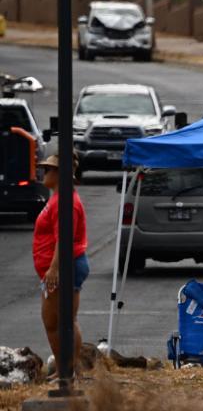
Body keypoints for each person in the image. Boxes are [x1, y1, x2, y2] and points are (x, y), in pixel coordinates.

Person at [33, 154, 89, 381]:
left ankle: (70, 369)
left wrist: (55, 268)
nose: (43, 173)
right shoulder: (58, 198)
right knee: (55, 320)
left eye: (48, 169)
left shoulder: (66, 201)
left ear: (59, 174)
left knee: (63, 319)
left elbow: (63, 239)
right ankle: (65, 368)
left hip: (66, 265)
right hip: (58, 266)